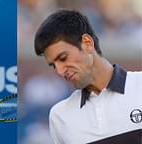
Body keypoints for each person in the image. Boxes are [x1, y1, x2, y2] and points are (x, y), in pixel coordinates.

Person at [34, 10, 142, 144]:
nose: (60, 71)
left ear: (87, 43)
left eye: (63, 58)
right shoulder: (60, 117)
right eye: (53, 65)